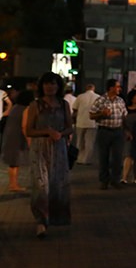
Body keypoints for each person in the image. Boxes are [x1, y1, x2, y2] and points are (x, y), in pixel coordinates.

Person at [23, 72, 73, 238]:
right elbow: (29, 130)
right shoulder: (35, 105)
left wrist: (60, 133)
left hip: (59, 149)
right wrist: (47, 131)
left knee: (57, 186)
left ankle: (55, 217)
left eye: (53, 84)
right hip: (39, 149)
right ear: (41, 86)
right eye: (46, 84)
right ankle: (41, 221)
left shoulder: (64, 104)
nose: (50, 87)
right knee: (41, 186)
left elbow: (70, 127)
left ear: (58, 86)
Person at [90, 78, 127, 190]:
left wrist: (127, 130)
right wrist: (102, 113)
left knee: (117, 157)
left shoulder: (120, 101)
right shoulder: (100, 100)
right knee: (103, 157)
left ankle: (115, 180)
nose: (119, 89)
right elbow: (91, 115)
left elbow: (124, 116)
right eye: (117, 86)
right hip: (104, 131)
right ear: (111, 88)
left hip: (118, 131)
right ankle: (104, 181)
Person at [2, 89, 33, 192]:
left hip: (10, 136)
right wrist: (29, 140)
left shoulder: (15, 107)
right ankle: (13, 185)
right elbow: (24, 126)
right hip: (17, 138)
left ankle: (13, 184)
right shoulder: (26, 109)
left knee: (13, 162)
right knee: (15, 163)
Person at [72, 84, 99, 165]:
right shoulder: (98, 97)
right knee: (89, 142)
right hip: (92, 123)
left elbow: (74, 109)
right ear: (93, 89)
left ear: (86, 88)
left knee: (79, 141)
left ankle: (79, 158)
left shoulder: (80, 96)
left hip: (80, 122)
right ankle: (87, 159)